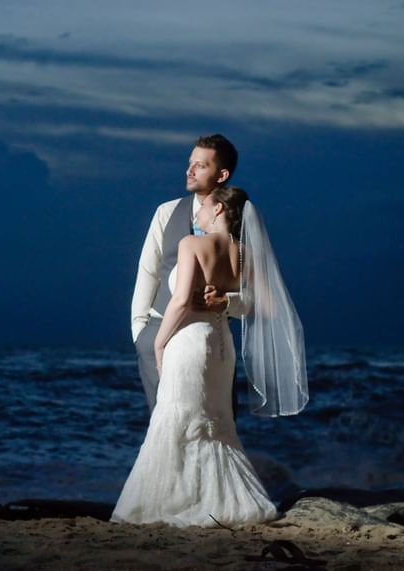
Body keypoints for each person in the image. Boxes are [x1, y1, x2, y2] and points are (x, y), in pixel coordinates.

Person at [110, 186, 308, 528]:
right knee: (217, 424)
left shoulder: (191, 245)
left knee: (175, 420)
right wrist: (227, 301)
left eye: (204, 206)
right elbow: (268, 306)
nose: (197, 212)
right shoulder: (244, 252)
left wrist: (158, 342)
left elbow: (182, 300)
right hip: (221, 347)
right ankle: (228, 501)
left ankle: (169, 503)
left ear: (218, 210)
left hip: (188, 342)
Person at [131, 135, 248, 415]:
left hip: (210, 341)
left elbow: (259, 296)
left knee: (215, 428)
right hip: (158, 334)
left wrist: (227, 302)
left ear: (222, 174)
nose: (190, 170)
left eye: (200, 165)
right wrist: (140, 333)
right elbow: (148, 272)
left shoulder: (241, 225)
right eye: (189, 163)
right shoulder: (166, 212)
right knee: (166, 430)